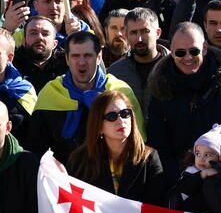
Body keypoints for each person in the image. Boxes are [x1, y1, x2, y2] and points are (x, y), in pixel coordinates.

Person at [146, 22, 221, 179]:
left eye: (194, 51)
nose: (188, 57)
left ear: (204, 48)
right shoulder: (160, 89)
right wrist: (182, 179)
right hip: (179, 179)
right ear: (172, 51)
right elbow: (157, 145)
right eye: (181, 52)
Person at [26, 31, 143, 164]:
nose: (82, 62)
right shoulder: (51, 92)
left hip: (113, 174)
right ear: (67, 59)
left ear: (99, 57)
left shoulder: (120, 92)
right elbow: (35, 149)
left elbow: (138, 144)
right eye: (75, 56)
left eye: (88, 56)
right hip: (65, 177)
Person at [107, 8, 166, 115]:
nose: (139, 39)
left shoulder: (174, 66)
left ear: (158, 33)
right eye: (133, 32)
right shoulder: (115, 73)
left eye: (145, 31)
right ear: (126, 35)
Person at [12, 15, 66, 93]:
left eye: (45, 34)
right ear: (23, 41)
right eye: (33, 33)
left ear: (55, 44)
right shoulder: (11, 64)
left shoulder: (67, 63)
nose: (39, 37)